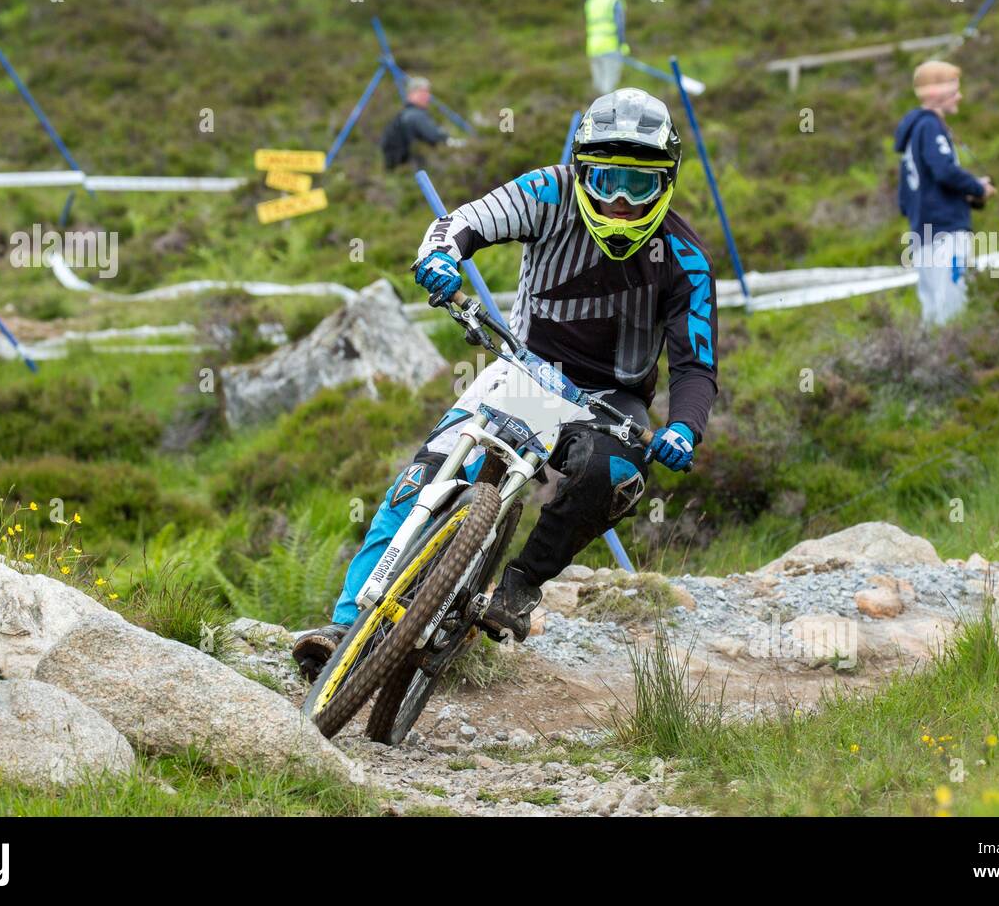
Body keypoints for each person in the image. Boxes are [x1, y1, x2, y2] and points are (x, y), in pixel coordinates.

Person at [294, 88, 718, 678]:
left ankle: (519, 586)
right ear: (579, 170)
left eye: (639, 185)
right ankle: (345, 624)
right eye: (604, 180)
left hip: (610, 401)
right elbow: (466, 221)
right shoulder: (547, 192)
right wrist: (440, 255)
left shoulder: (686, 260)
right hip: (524, 369)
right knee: (421, 478)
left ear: (666, 182)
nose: (619, 202)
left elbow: (695, 365)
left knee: (616, 475)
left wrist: (684, 427)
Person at [894, 59, 996, 326]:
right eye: (955, 89)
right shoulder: (930, 127)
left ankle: (935, 362)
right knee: (952, 308)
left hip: (922, 233)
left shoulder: (914, 132)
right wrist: (977, 188)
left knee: (932, 312)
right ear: (935, 93)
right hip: (945, 233)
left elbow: (905, 197)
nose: (960, 95)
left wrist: (967, 196)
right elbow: (944, 170)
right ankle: (954, 360)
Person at [380, 76, 465, 169]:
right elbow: (434, 136)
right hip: (410, 169)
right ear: (412, 94)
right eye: (423, 92)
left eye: (427, 92)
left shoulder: (403, 115)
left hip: (398, 169)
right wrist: (454, 143)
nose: (427, 96)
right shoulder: (414, 115)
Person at [584, 0, 630, 95]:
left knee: (598, 87)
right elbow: (620, 24)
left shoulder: (591, 1)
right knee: (608, 88)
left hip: (593, 47)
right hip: (610, 47)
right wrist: (622, 45)